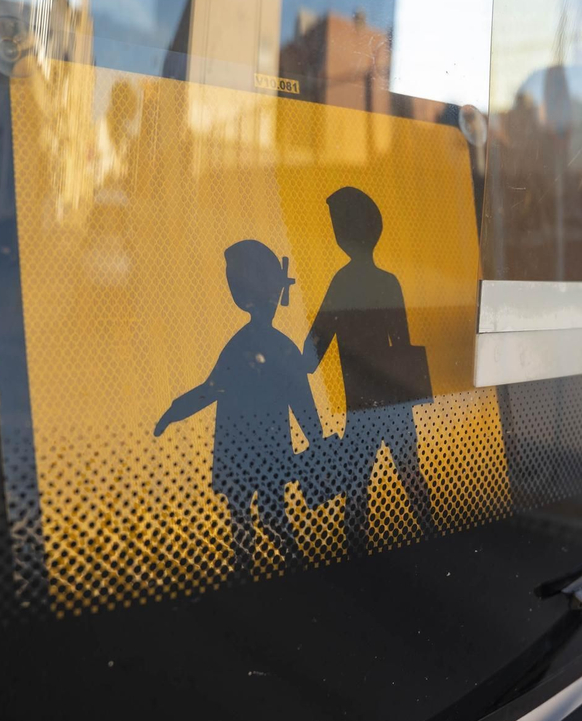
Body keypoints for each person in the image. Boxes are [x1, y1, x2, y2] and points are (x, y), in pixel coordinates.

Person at [154, 240, 331, 578]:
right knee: (265, 515)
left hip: (245, 450)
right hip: (261, 450)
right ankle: (265, 572)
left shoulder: (245, 345)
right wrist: (317, 440)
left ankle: (253, 574)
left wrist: (173, 413)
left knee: (252, 517)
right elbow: (302, 402)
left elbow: (210, 391)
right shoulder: (275, 347)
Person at [303, 187, 437, 556]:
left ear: (343, 232)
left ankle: (356, 549)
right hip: (394, 401)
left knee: (356, 481)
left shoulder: (343, 283)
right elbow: (402, 344)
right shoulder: (388, 282)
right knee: (408, 473)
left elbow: (315, 345)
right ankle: (431, 535)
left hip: (362, 403)